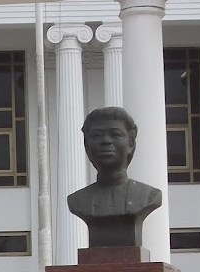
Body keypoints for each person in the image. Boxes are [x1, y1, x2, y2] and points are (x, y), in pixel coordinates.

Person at [65, 106, 162, 248]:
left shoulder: (149, 196)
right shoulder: (77, 201)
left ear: (131, 143)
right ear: (86, 145)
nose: (106, 141)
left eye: (115, 134)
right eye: (97, 135)